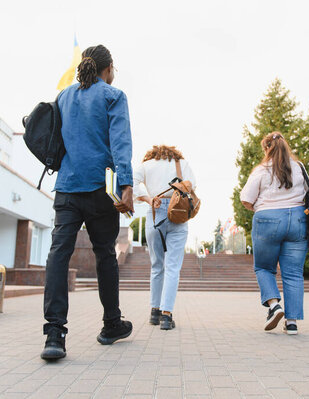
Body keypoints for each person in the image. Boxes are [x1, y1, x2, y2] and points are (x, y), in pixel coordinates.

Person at [41, 45, 134, 360]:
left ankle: (54, 334)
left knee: (58, 254)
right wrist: (127, 186)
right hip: (99, 188)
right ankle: (111, 325)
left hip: (66, 187)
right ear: (108, 69)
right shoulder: (113, 96)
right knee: (105, 254)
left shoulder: (64, 96)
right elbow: (121, 142)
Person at [240, 132, 308, 335]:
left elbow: (246, 199)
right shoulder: (299, 167)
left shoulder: (261, 170)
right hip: (297, 219)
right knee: (294, 273)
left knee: (263, 268)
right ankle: (292, 322)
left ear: (266, 149)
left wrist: (260, 209)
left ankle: (274, 305)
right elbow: (308, 192)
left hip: (267, 219)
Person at [133, 145, 196, 330]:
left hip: (155, 210)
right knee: (172, 267)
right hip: (178, 211)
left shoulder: (146, 165)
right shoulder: (182, 163)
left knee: (156, 265)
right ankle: (166, 316)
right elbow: (193, 185)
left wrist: (149, 199)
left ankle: (154, 312)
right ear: (174, 154)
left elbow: (132, 182)